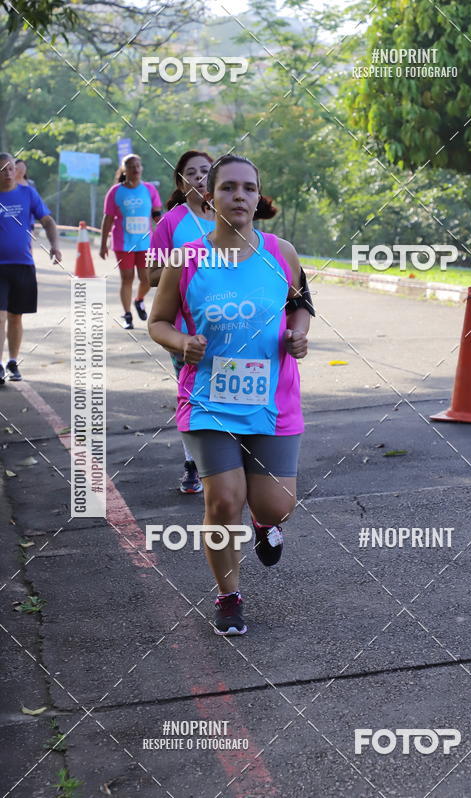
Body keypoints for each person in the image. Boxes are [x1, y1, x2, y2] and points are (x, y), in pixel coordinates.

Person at [149, 154, 314, 635]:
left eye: (247, 188)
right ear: (209, 195)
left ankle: (266, 526)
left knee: (275, 505)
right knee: (223, 500)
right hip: (207, 399)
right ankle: (228, 596)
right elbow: (157, 321)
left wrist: (297, 334)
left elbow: (300, 303)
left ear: (257, 197)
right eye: (227, 188)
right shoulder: (187, 260)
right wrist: (182, 342)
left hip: (273, 399)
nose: (238, 196)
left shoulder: (280, 252)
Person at [149, 150, 216, 494]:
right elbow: (151, 275)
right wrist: (188, 265)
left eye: (206, 171)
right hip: (184, 329)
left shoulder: (229, 217)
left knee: (226, 390)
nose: (200, 178)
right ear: (180, 182)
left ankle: (231, 462)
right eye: (192, 173)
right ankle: (192, 463)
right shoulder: (171, 223)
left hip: (229, 324)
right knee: (192, 395)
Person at [0, 152, 62, 384]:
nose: (8, 173)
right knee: (0, 316)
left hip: (23, 265)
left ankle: (13, 361)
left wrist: (55, 246)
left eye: (10, 169)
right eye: (2, 170)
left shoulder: (27, 193)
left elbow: (47, 220)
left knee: (16, 317)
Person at [99, 153, 162, 329]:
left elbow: (157, 215)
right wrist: (103, 243)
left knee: (147, 278)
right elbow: (108, 218)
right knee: (127, 278)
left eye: (138, 166)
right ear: (124, 170)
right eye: (131, 166)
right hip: (123, 242)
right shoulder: (115, 192)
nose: (135, 169)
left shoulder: (149, 189)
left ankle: (139, 300)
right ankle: (127, 315)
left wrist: (168, 233)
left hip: (145, 243)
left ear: (141, 168)